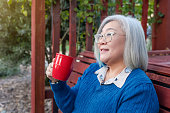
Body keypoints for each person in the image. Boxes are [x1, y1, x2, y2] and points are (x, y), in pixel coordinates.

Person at [46, 15, 159, 113]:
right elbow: (69, 106)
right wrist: (57, 82)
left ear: (131, 41)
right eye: (100, 36)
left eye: (109, 34)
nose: (101, 41)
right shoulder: (94, 70)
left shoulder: (139, 89)